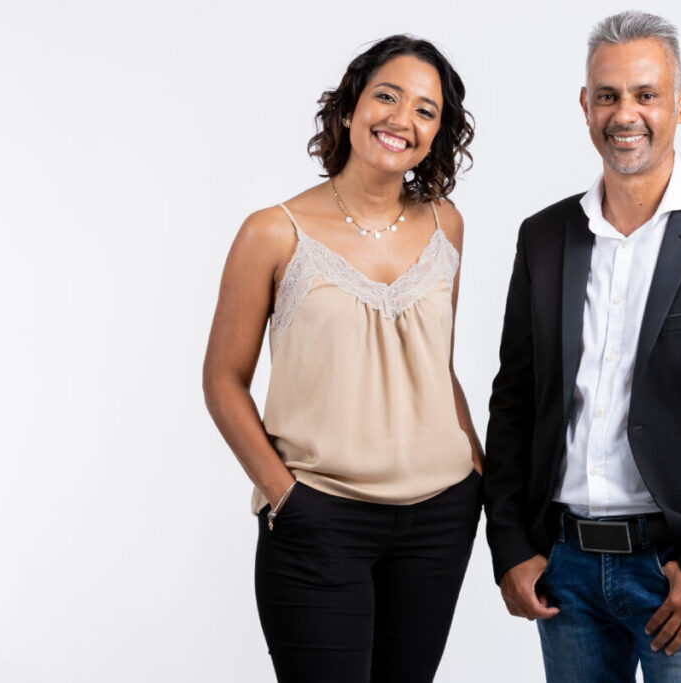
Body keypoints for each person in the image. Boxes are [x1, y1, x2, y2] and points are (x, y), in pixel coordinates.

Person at [483, 11, 681, 683]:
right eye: (608, 95)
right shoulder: (543, 238)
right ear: (585, 105)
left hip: (679, 569)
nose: (625, 114)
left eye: (646, 94)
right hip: (562, 569)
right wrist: (509, 544)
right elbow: (513, 402)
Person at [202, 35, 482, 683]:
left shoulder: (446, 223)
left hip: (440, 518)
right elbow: (222, 380)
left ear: (437, 135)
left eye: (425, 110)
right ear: (351, 105)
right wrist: (285, 497)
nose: (401, 119)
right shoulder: (273, 231)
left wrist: (478, 469)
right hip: (318, 516)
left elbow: (436, 364)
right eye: (387, 96)